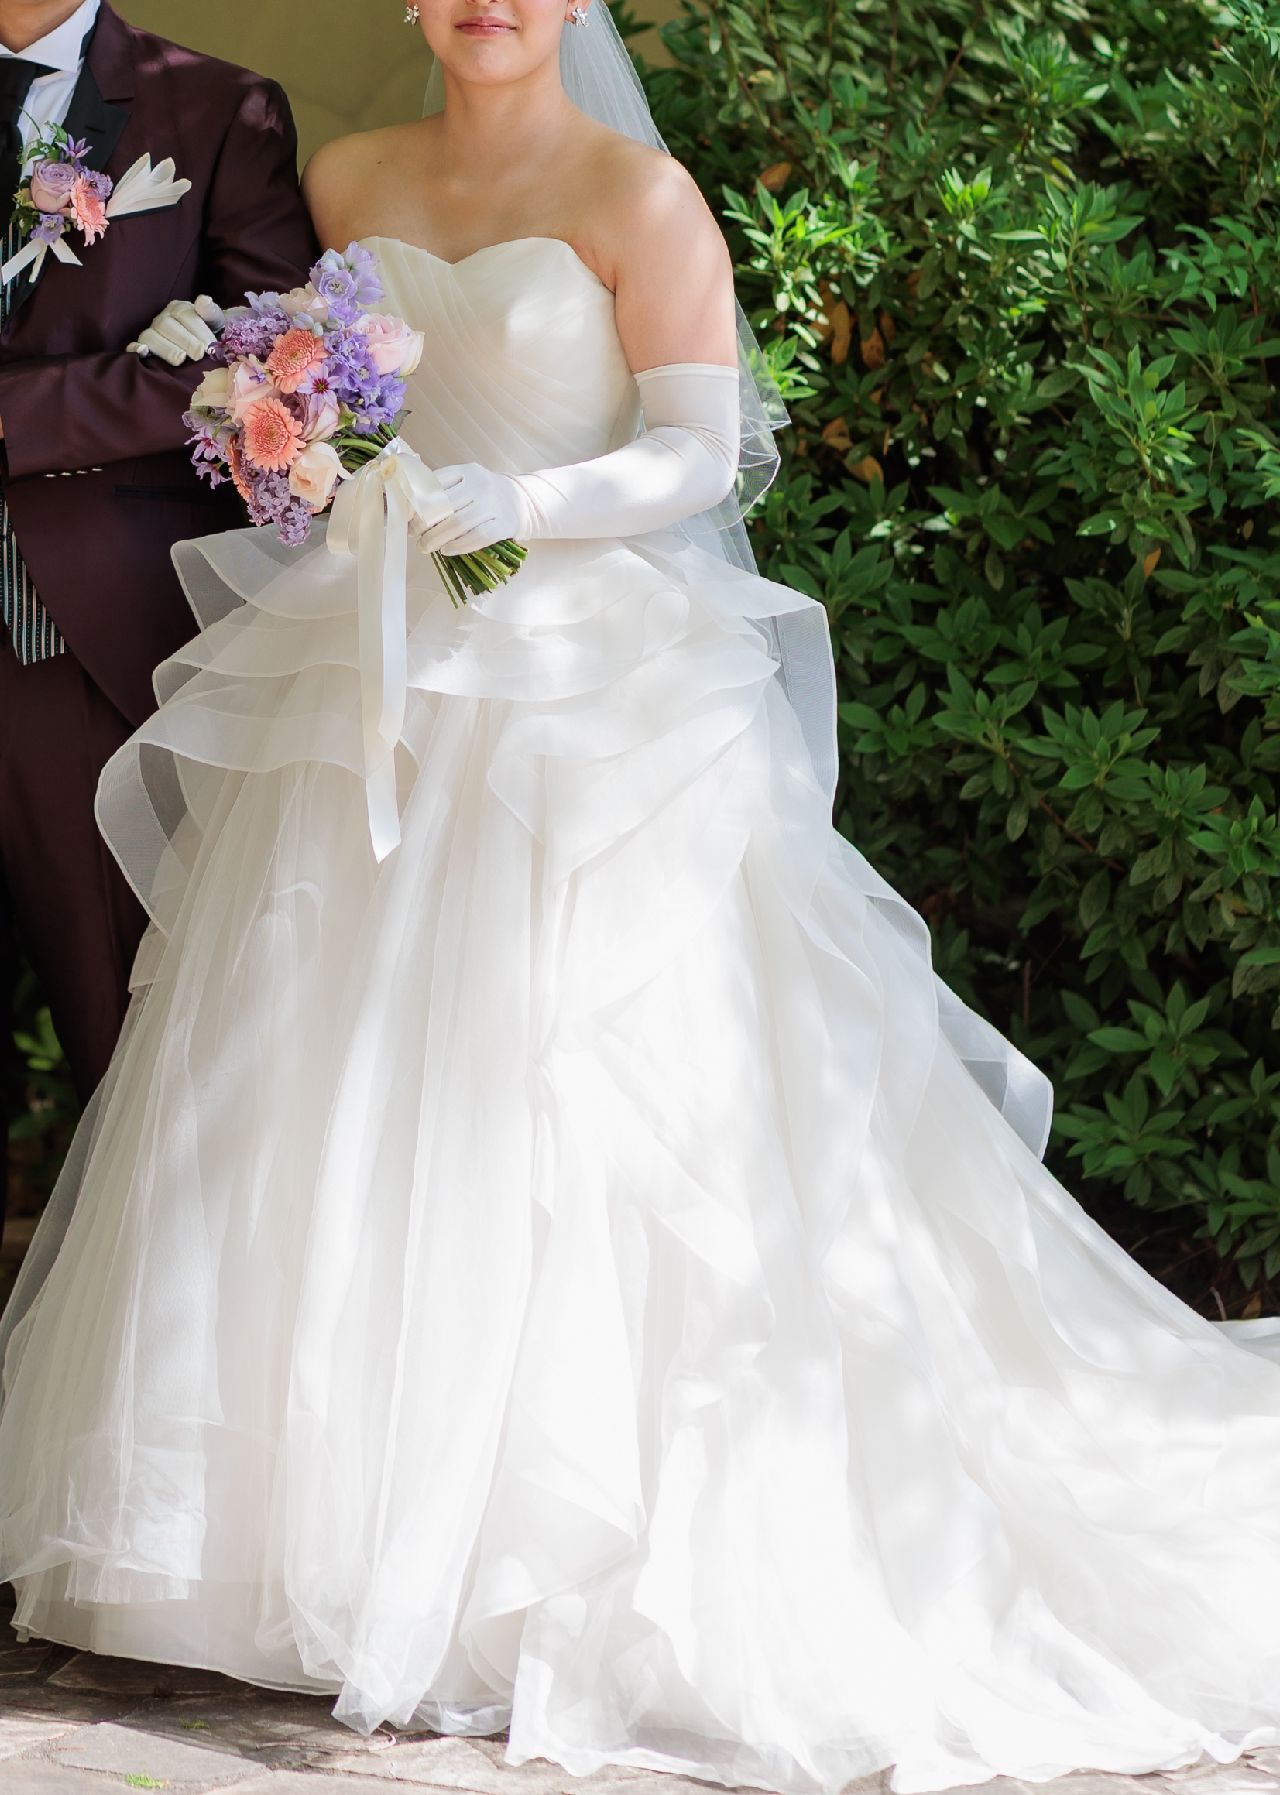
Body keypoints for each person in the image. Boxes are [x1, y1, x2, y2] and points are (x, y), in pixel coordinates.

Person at [1, 1, 1280, 1790]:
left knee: (575, 1083)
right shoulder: (345, 176)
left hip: (586, 679)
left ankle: (545, 1546)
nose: (490, 1)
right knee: (317, 1078)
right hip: (370, 661)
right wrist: (325, 463)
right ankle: (300, 1535)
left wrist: (523, 500)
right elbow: (290, 384)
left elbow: (698, 447)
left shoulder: (640, 193)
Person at [0, 0, 315, 1233]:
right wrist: (117, 375)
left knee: (130, 1047)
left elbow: (265, 368)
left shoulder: (216, 108)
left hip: (84, 651)